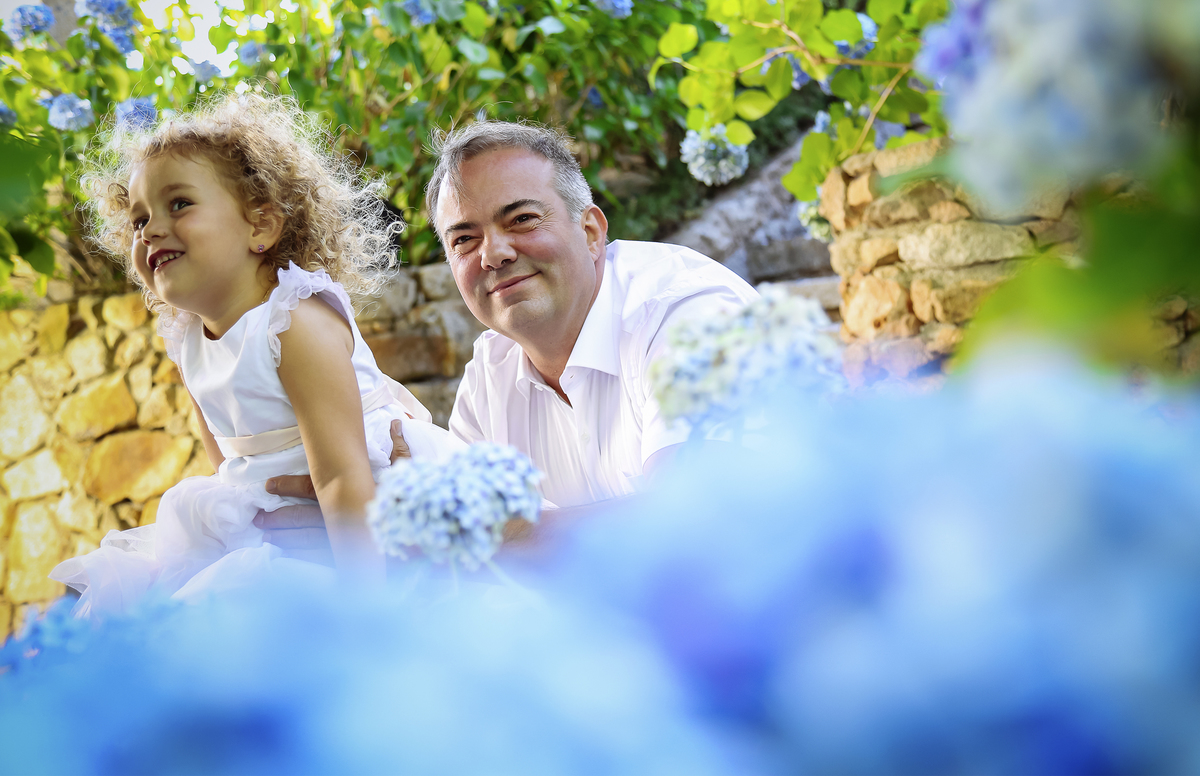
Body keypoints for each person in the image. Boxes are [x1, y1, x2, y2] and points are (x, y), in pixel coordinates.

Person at [51, 94, 461, 618]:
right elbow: (231, 468)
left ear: (260, 226)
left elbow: (340, 476)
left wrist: (367, 611)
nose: (150, 229)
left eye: (179, 204)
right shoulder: (189, 342)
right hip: (287, 516)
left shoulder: (293, 321)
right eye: (138, 219)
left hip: (364, 509)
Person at [258, 120, 758, 550]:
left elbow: (704, 530)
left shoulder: (688, 316)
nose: (492, 253)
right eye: (464, 240)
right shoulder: (490, 373)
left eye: (521, 219)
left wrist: (503, 535)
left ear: (591, 232)